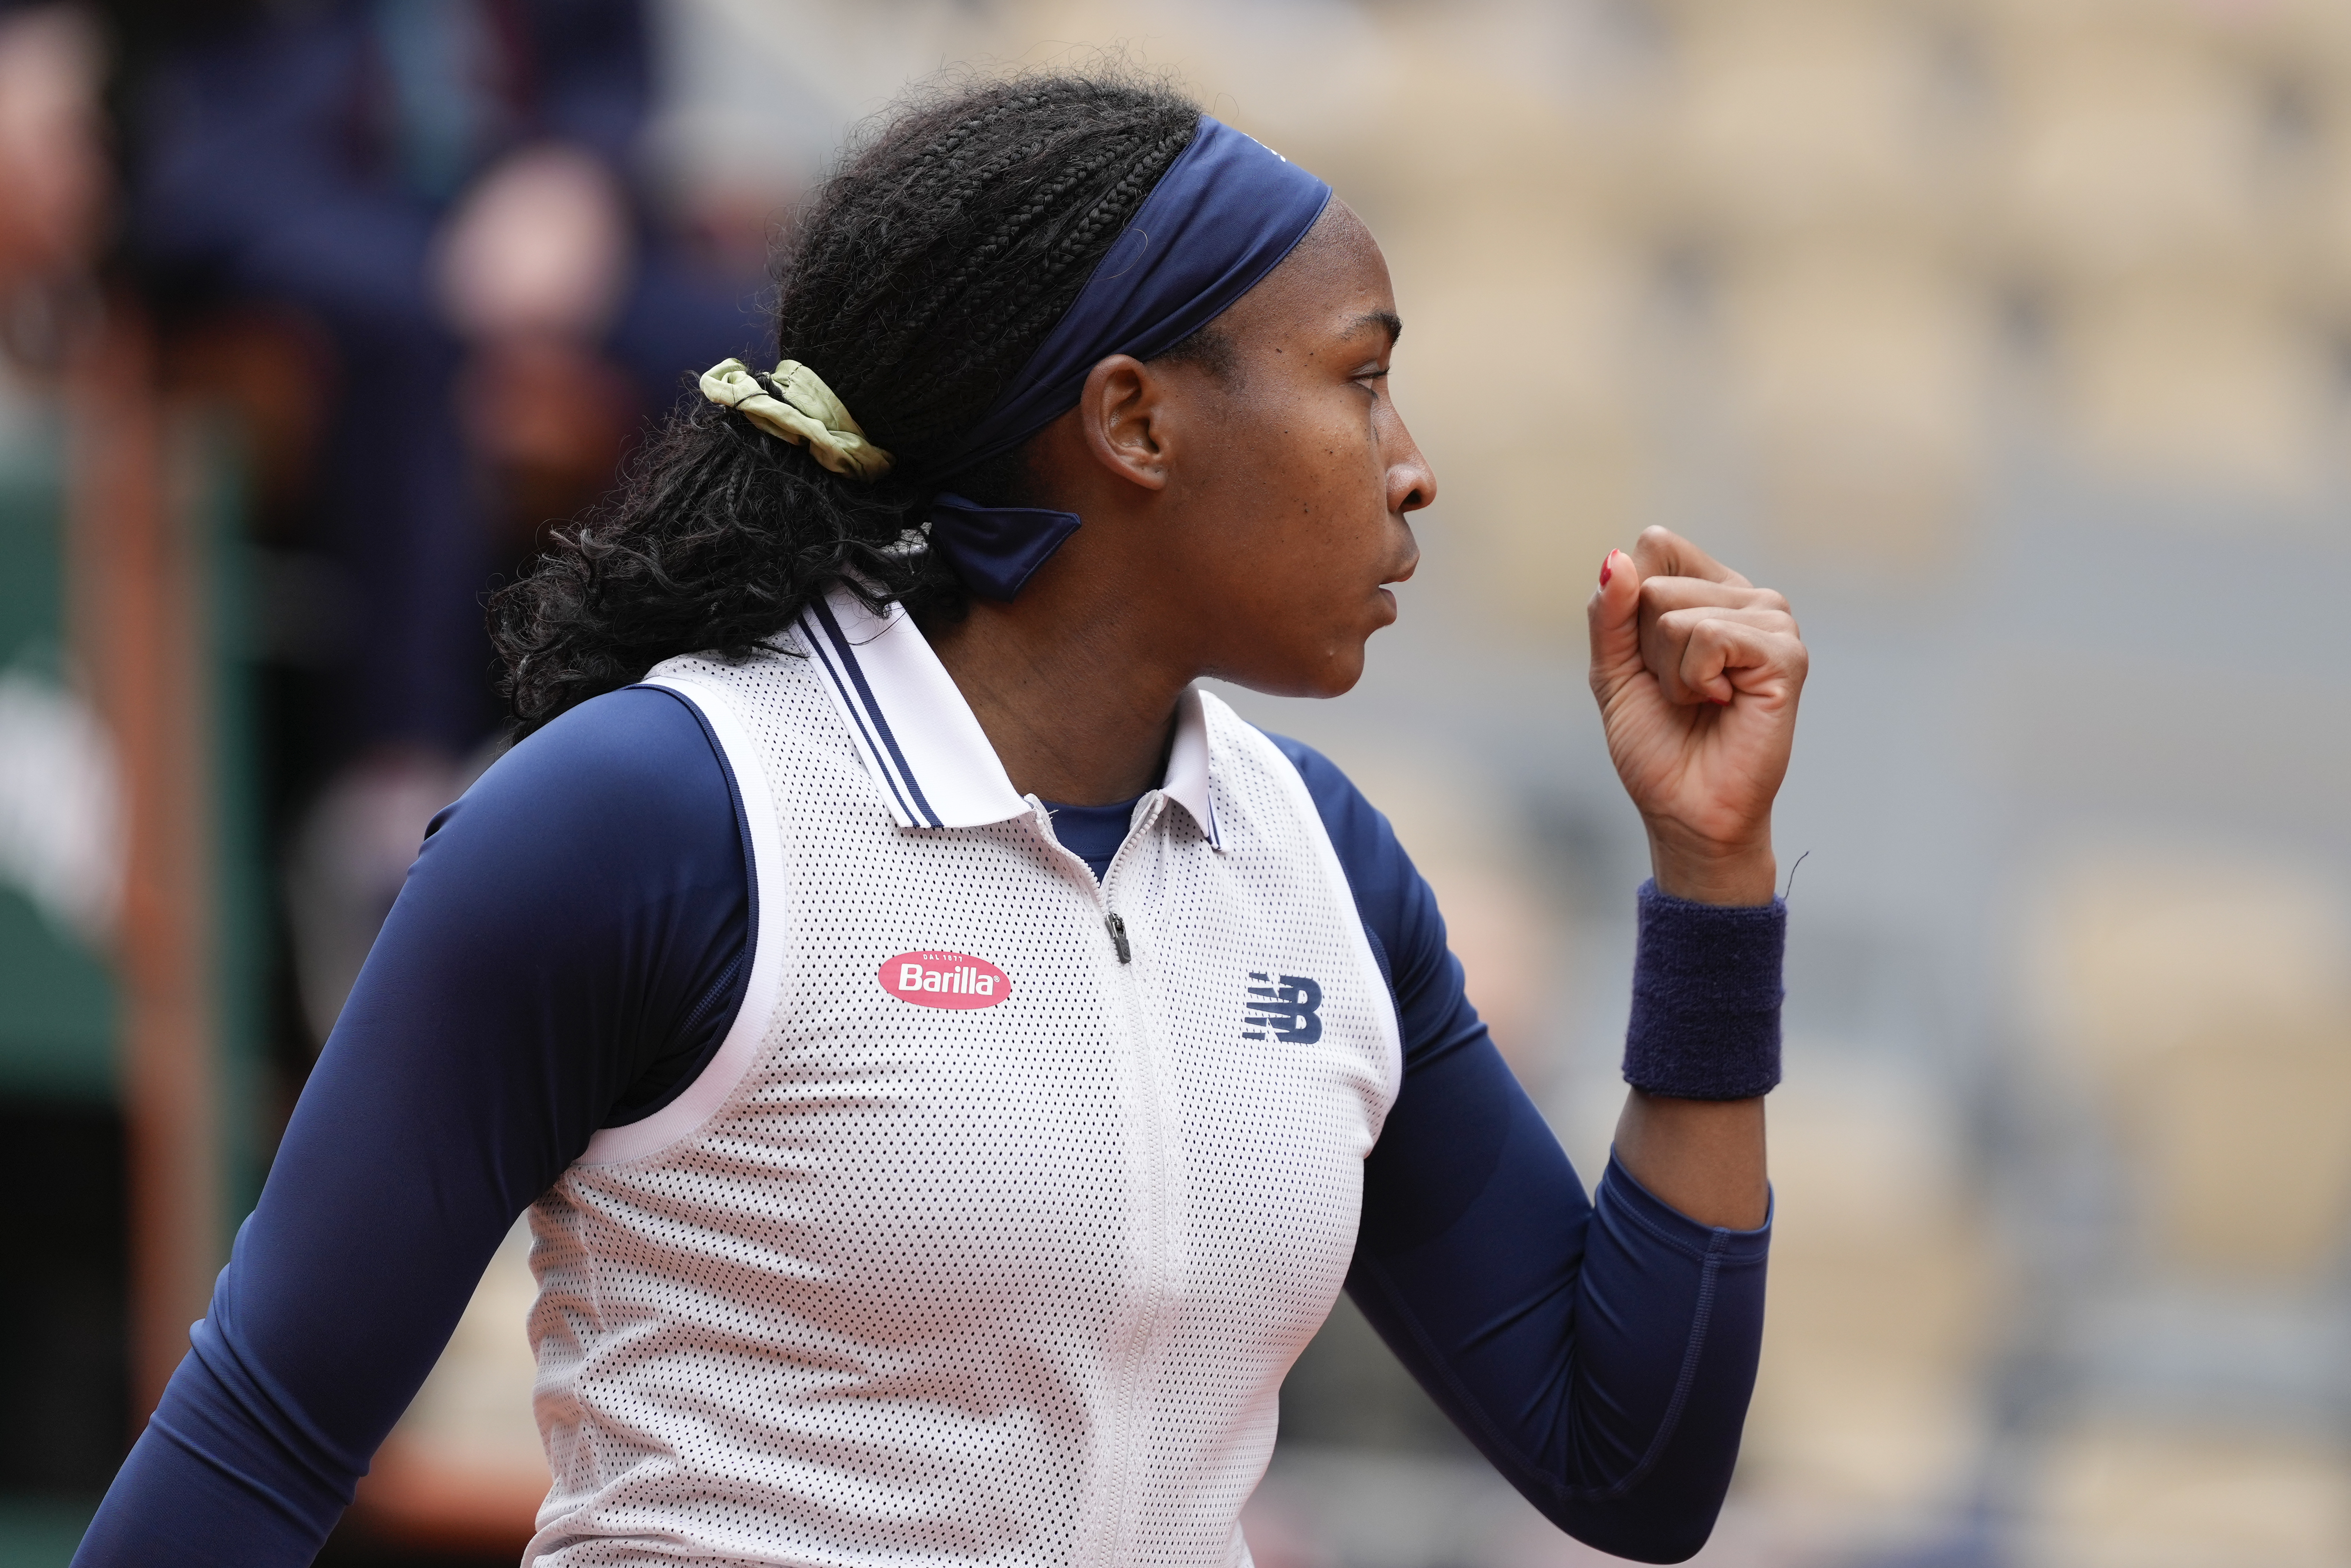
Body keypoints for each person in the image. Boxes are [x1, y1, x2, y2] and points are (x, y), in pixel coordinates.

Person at [73, 73, 1807, 1568]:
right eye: (1359, 377)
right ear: (1134, 419)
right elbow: (257, 1447)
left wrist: (1712, 884)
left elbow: (1630, 1465)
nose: (1412, 459)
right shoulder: (651, 818)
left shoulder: (1328, 866)